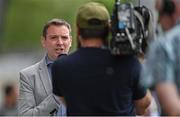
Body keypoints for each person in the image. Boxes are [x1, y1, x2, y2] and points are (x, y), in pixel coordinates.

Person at [52, 2, 151, 116]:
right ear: (109, 29)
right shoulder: (130, 63)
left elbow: (66, 101)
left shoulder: (60, 66)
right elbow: (143, 104)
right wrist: (138, 58)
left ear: (78, 30)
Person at [18, 18, 72, 116]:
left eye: (64, 37)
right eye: (54, 37)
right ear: (43, 41)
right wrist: (56, 96)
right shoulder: (28, 76)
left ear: (70, 41)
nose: (60, 42)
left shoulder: (83, 71)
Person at [141, 0, 180, 115]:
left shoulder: (164, 46)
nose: (158, 22)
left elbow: (173, 109)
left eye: (159, 12)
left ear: (170, 8)